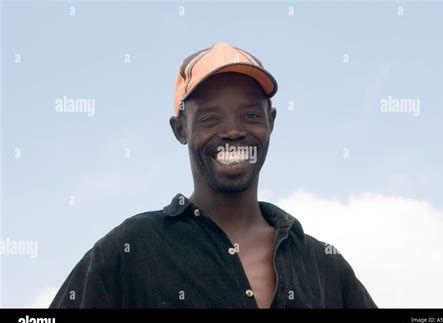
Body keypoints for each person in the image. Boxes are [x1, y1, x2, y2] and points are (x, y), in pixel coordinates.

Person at [50, 42, 377, 309]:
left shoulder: (324, 267)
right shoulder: (129, 250)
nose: (233, 131)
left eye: (250, 115)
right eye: (209, 119)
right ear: (180, 129)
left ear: (271, 122)